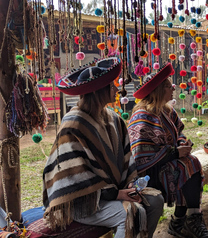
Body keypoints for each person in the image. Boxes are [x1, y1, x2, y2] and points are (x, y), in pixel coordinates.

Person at [44, 57, 164, 238]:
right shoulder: (73, 125)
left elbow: (126, 157)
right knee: (129, 214)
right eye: (111, 86)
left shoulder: (113, 119)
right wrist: (117, 195)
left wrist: (131, 185)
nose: (116, 89)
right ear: (99, 91)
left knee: (156, 200)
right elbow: (77, 177)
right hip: (81, 199)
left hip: (111, 193)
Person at [128, 63, 208, 238]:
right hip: (146, 175)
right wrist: (175, 153)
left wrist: (182, 144)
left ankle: (183, 219)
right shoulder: (142, 116)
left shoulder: (167, 111)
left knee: (191, 162)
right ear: (158, 90)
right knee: (185, 166)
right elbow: (141, 158)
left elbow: (179, 133)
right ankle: (184, 221)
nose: (173, 88)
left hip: (166, 162)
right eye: (168, 86)